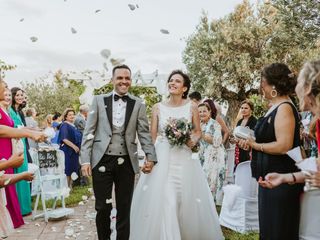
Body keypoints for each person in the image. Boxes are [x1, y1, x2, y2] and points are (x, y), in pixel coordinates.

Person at [130, 70, 224, 240]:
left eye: (177, 81)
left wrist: (191, 140)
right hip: (163, 159)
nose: (172, 83)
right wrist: (147, 158)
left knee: (186, 203)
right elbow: (152, 136)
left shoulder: (192, 106)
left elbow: (197, 131)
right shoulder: (157, 107)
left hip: (186, 160)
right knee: (168, 201)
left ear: (184, 88)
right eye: (171, 80)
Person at [80, 65, 157, 240]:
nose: (124, 81)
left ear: (131, 80)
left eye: (127, 78)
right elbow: (89, 132)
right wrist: (85, 160)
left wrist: (150, 156)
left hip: (127, 161)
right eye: (120, 78)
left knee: (124, 207)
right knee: (102, 207)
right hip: (101, 160)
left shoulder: (138, 103)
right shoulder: (98, 100)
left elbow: (144, 132)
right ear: (113, 79)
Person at [238, 63, 303, 240]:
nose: (261, 86)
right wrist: (251, 143)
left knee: (278, 230)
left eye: (262, 82)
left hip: (282, 180)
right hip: (270, 179)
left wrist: (255, 146)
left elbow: (284, 145)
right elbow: (266, 140)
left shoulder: (284, 108)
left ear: (273, 86)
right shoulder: (274, 107)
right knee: (269, 229)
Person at [258, 60, 320, 239]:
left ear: (308, 87)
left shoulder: (285, 107)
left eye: (299, 81)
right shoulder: (318, 123)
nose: (294, 86)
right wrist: (286, 178)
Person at [0, 87, 24, 228]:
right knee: (4, 179)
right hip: (2, 148)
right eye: (5, 93)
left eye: (9, 94)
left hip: (8, 146)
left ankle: (14, 218)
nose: (8, 97)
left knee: (9, 180)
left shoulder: (7, 111)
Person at [9, 87, 32, 215]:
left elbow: (22, 127)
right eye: (17, 95)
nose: (20, 97)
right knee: (18, 174)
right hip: (15, 143)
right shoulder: (10, 110)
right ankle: (19, 209)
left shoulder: (20, 111)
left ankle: (25, 207)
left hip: (23, 142)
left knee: (24, 173)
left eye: (21, 95)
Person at [198, 102, 226, 204]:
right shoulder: (200, 124)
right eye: (199, 112)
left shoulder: (215, 124)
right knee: (203, 178)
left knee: (211, 179)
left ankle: (211, 203)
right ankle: (204, 201)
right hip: (203, 154)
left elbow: (216, 141)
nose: (202, 113)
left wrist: (200, 133)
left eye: (204, 111)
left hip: (214, 155)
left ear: (209, 112)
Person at [58, 108, 82, 188]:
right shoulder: (65, 125)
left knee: (73, 169)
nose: (72, 116)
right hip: (68, 151)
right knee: (68, 169)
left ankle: (70, 187)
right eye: (70, 115)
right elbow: (64, 138)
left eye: (73, 114)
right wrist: (74, 146)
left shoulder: (73, 125)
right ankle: (66, 188)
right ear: (66, 117)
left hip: (74, 151)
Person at [232, 100, 257, 167]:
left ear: (251, 109)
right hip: (239, 149)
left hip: (248, 149)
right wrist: (234, 140)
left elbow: (254, 136)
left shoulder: (254, 121)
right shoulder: (239, 121)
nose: (243, 110)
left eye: (246, 108)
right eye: (242, 108)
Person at [74, 104, 89, 186]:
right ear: (85, 112)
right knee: (82, 161)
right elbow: (86, 132)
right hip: (81, 142)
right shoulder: (81, 120)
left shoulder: (77, 118)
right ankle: (83, 181)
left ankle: (81, 180)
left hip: (78, 142)